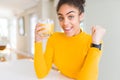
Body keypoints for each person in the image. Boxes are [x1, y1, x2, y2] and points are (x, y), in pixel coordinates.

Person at [34, 0, 106, 80]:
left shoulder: (93, 42)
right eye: (61, 18)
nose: (65, 23)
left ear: (81, 16)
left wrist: (95, 45)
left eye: (71, 16)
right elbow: (41, 74)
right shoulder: (54, 38)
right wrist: (38, 41)